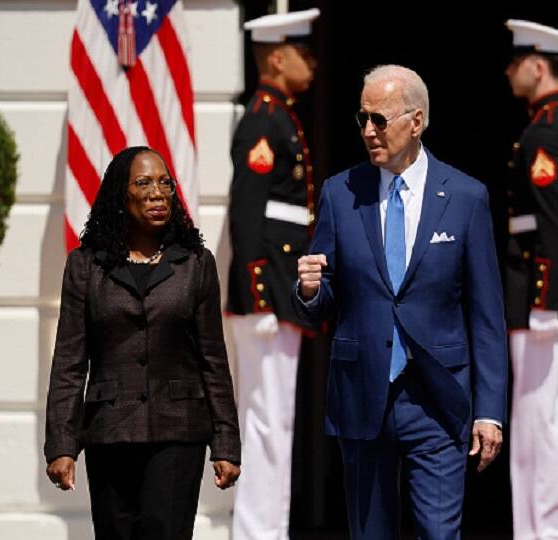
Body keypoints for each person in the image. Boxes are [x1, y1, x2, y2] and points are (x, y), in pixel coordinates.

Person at [292, 65, 508, 539]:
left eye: (380, 119)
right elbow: (325, 297)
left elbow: (486, 313)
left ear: (416, 121)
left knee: (438, 533)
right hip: (362, 394)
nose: (368, 131)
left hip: (438, 398)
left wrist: (489, 411)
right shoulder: (340, 192)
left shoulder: (467, 197)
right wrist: (310, 290)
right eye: (362, 118)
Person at [44, 146, 241, 540]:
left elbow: (213, 361)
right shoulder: (86, 265)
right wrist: (61, 445)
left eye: (165, 183)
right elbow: (69, 360)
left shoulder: (196, 263)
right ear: (121, 195)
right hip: (110, 432)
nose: (157, 193)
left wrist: (226, 443)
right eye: (143, 183)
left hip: (178, 433)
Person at [225, 8, 319, 539]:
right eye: (303, 54)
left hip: (279, 291)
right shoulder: (264, 120)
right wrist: (258, 294)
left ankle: (267, 530)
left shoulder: (280, 114)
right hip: (268, 294)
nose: (313, 64)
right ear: (277, 58)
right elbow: (247, 214)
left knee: (274, 422)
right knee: (264, 421)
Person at [504, 20, 558, 540]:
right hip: (551, 294)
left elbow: (553, 225)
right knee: (544, 419)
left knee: (542, 422)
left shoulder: (547, 131)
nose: (509, 71)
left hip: (542, 297)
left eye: (515, 62)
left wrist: (545, 301)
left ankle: (547, 532)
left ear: (538, 65)